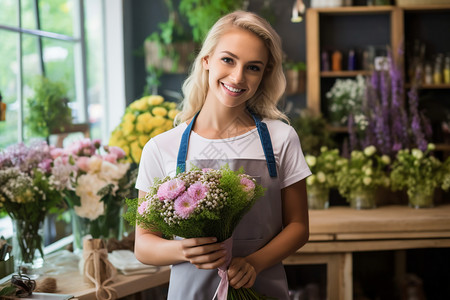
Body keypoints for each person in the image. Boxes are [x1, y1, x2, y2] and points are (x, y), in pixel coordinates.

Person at [134, 10, 311, 300]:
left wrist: (255, 262)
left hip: (263, 290)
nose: (238, 76)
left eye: (253, 67)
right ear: (206, 61)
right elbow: (144, 246)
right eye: (228, 60)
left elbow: (299, 227)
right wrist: (182, 249)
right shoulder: (161, 147)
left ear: (264, 73)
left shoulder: (281, 138)